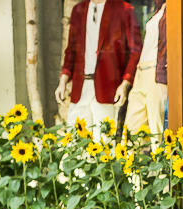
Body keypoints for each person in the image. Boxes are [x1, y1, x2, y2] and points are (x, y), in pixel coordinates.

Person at [56, 0, 142, 134]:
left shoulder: (123, 9)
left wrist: (125, 83)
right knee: (74, 143)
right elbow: (71, 51)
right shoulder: (79, 10)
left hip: (107, 88)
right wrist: (63, 81)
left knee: (104, 142)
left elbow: (135, 52)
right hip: (80, 88)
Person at [125, 0, 167, 135]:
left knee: (157, 128)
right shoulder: (157, 10)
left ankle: (160, 155)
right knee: (131, 127)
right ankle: (128, 156)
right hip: (142, 71)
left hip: (156, 71)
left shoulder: (177, 10)